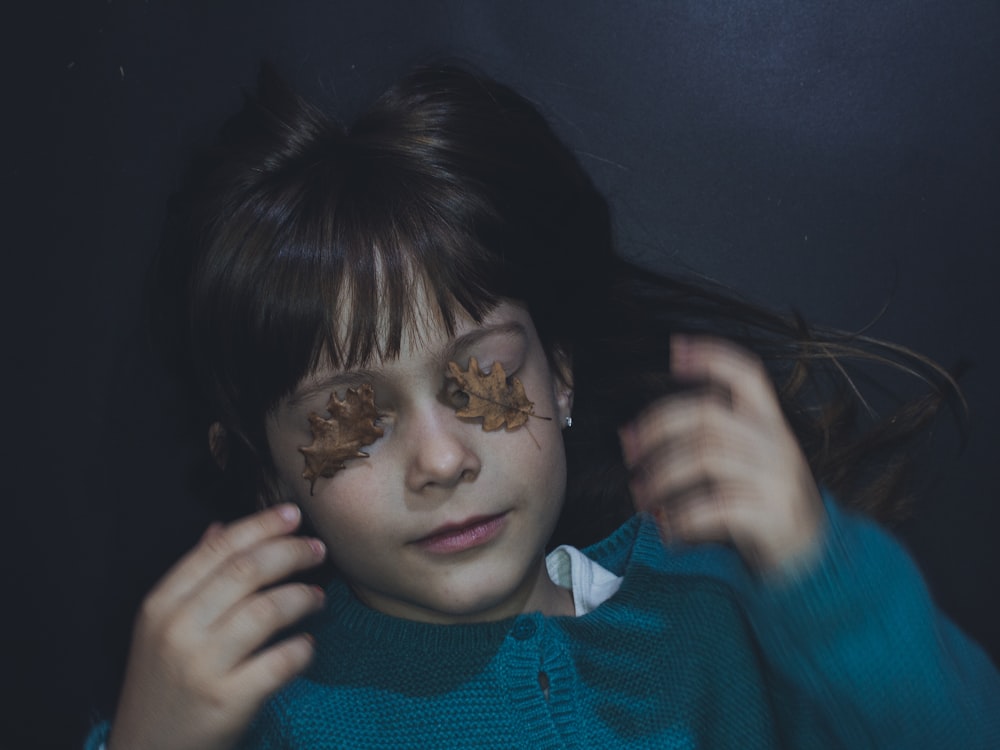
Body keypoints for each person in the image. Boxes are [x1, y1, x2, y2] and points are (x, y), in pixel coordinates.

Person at [86, 63, 1000, 749]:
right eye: (349, 420)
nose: (442, 460)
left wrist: (819, 576)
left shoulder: (721, 612)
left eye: (481, 379)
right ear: (260, 464)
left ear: (559, 372)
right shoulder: (259, 706)